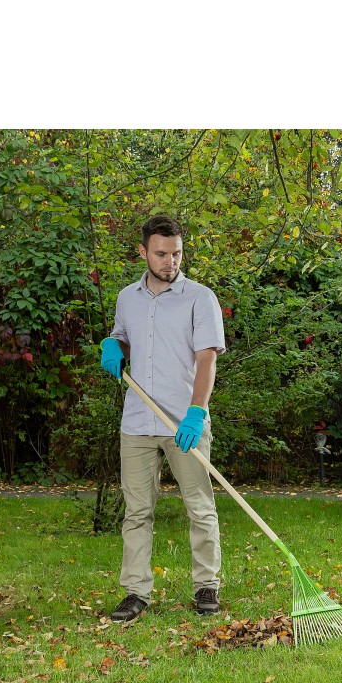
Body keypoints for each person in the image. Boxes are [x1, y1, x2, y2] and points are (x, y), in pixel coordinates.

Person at [100, 215, 226, 622]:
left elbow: (206, 359)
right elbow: (122, 334)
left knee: (199, 507)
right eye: (161, 253)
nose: (170, 262)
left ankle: (206, 586)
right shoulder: (127, 298)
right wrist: (113, 344)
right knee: (136, 512)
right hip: (137, 422)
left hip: (183, 423)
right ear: (143, 252)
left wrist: (196, 412)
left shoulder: (200, 298)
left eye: (176, 254)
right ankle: (136, 592)